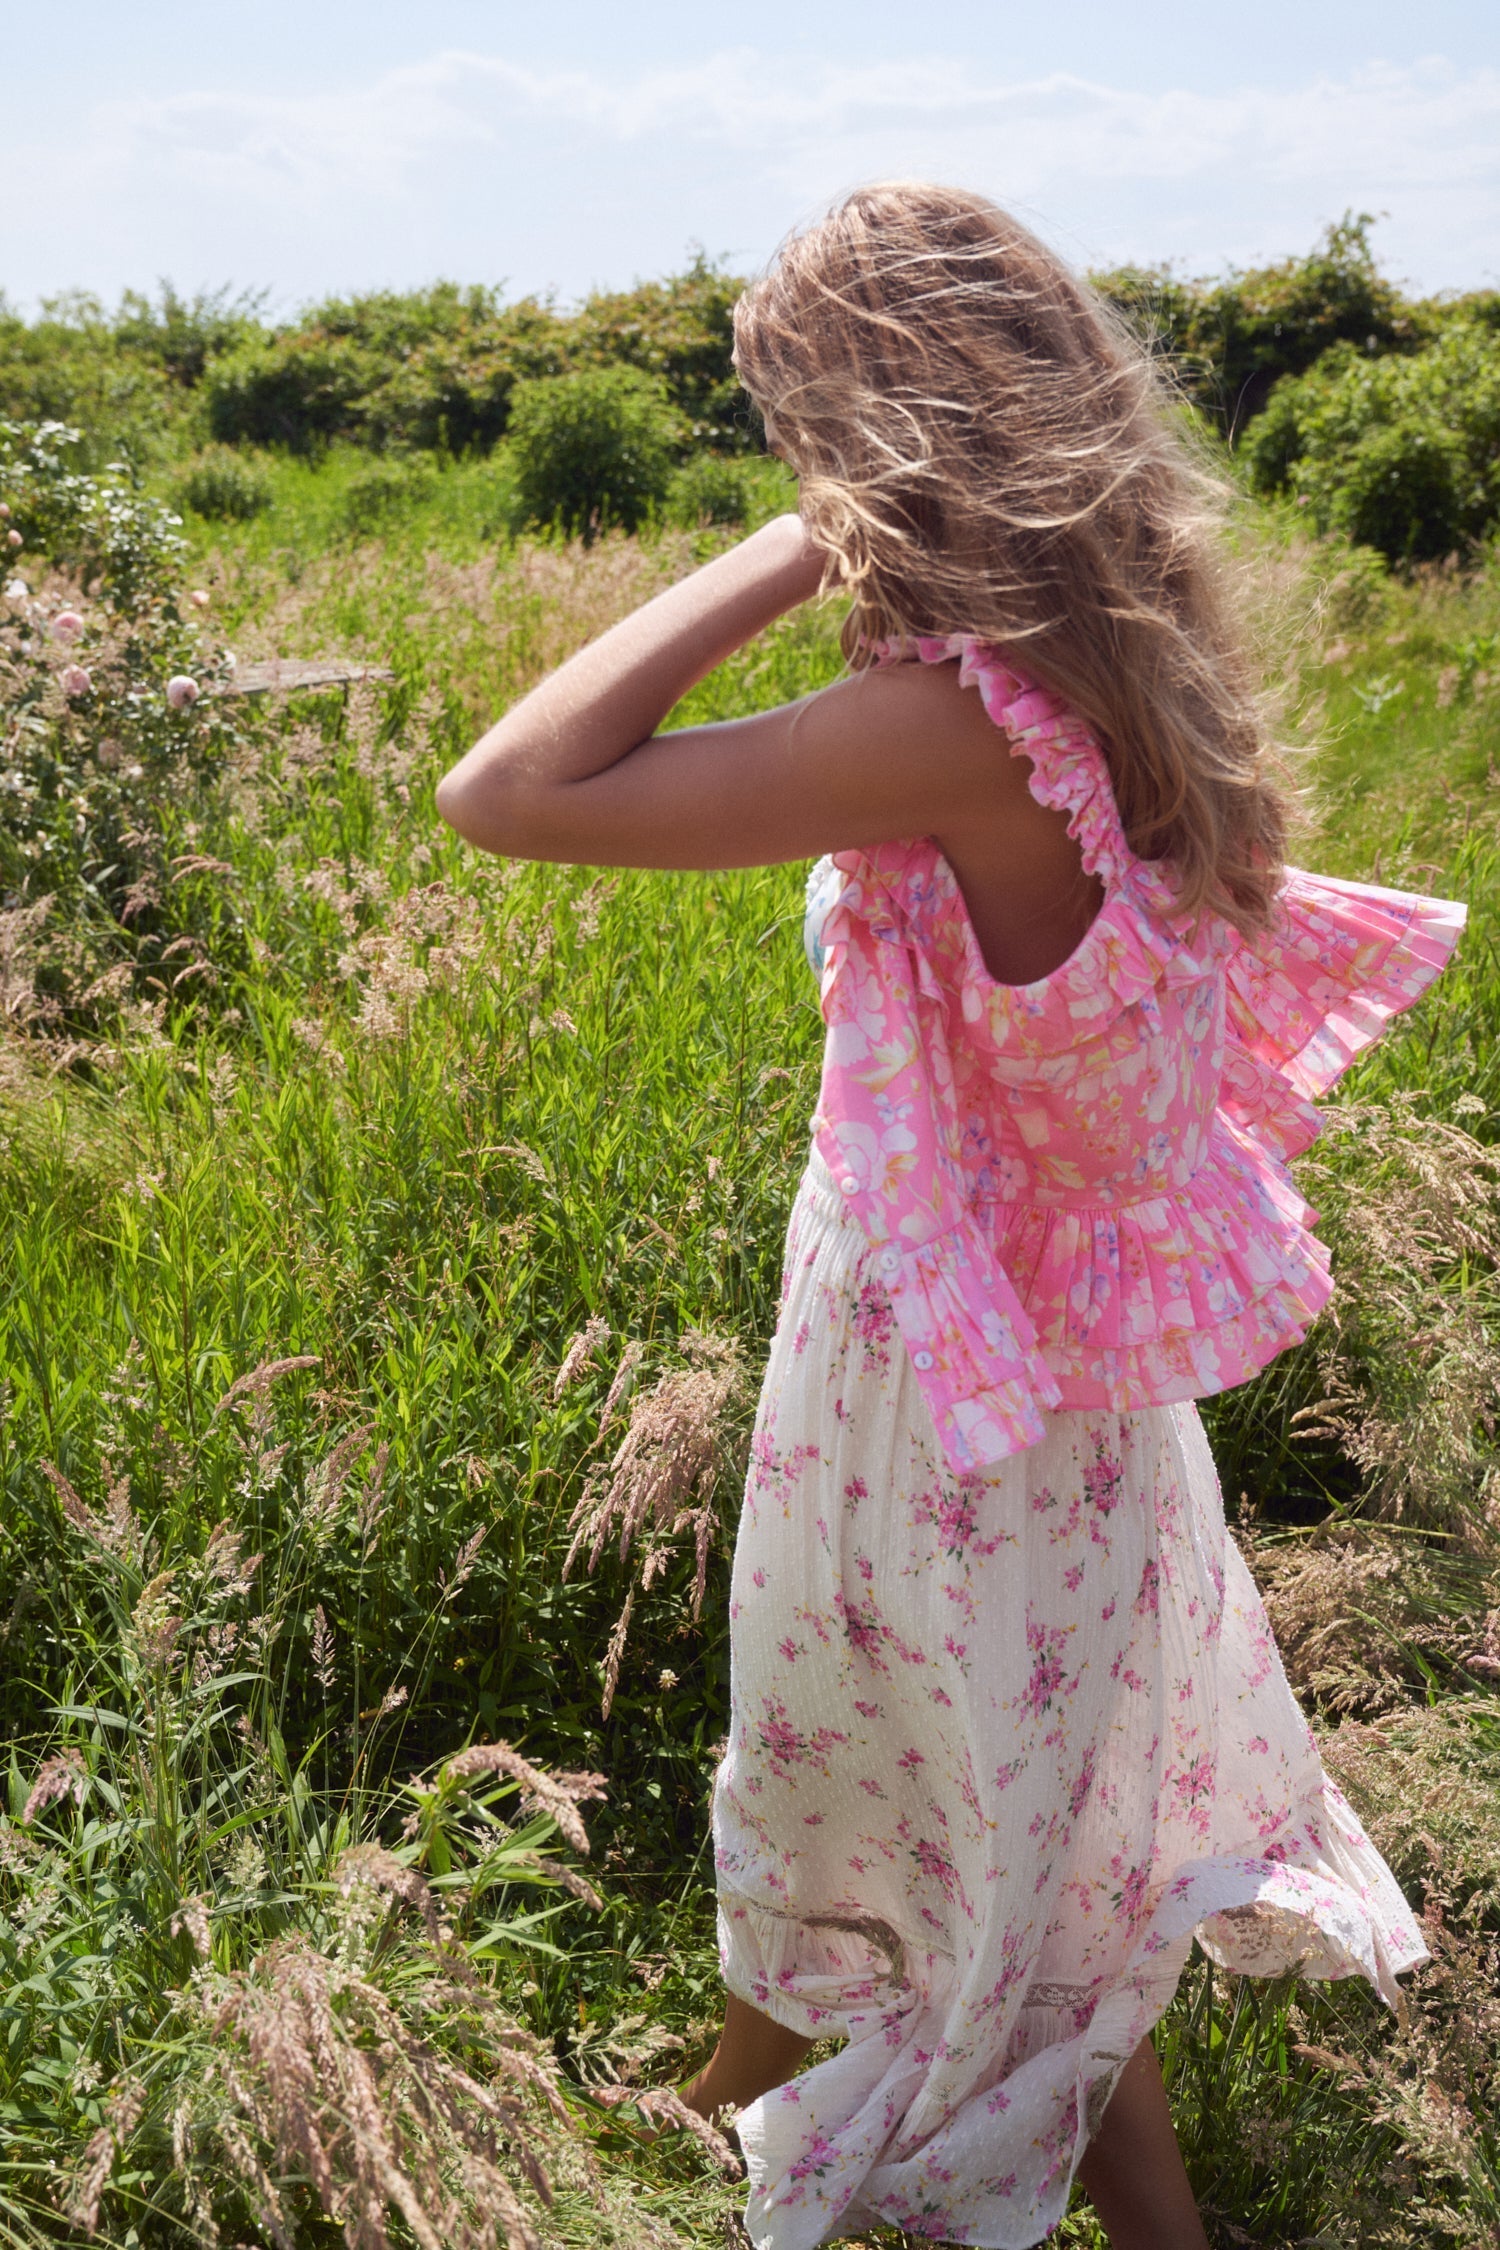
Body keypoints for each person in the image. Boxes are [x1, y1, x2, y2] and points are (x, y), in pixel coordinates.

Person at [437, 183, 1463, 2250]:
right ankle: (740, 2078)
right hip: (1057, 1380)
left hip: (940, 1386)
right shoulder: (1129, 671)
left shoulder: (955, 726)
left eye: (795, 420)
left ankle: (962, 2166)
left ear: (875, 434)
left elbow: (513, 790)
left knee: (933, 1791)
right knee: (989, 1790)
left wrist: (800, 535)